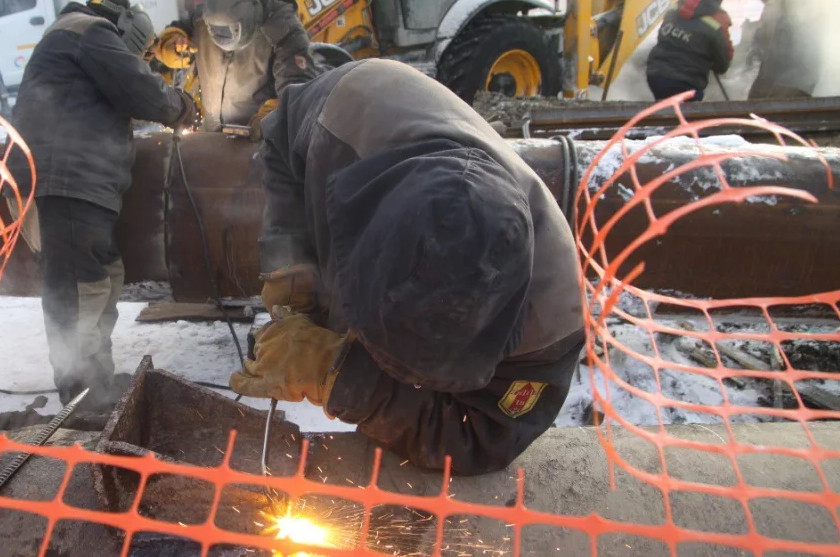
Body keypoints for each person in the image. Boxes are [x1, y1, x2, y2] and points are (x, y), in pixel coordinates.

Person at [229, 59, 585, 476]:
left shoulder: (553, 319)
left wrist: (344, 379)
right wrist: (291, 266)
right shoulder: (347, 105)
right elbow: (281, 138)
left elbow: (482, 438)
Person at [8, 0, 193, 407]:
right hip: (64, 183)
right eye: (137, 50)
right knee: (78, 290)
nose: (136, 57)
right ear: (124, 26)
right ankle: (80, 393)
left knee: (101, 281)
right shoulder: (88, 31)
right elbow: (140, 89)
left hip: (78, 186)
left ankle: (97, 379)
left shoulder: (73, 38)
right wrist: (183, 108)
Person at [151, 0, 314, 136]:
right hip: (212, 136)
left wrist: (272, 116)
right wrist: (172, 45)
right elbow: (177, 34)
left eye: (229, 30)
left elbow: (298, 90)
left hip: (256, 144)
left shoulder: (283, 27)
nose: (222, 37)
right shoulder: (206, 13)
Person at [646, 0, 734, 102]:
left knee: (665, 109)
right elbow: (722, 65)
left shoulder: (678, 5)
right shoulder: (719, 19)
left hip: (655, 75)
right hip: (686, 83)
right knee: (684, 115)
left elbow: (662, 36)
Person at [747, 0, 820, 100]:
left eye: (768, 6)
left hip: (790, 90)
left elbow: (772, 68)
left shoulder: (789, 25)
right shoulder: (790, 23)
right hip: (793, 89)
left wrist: (756, 98)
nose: (763, 14)